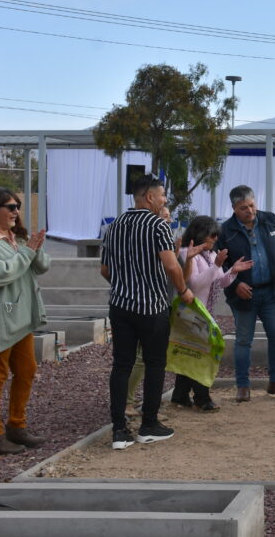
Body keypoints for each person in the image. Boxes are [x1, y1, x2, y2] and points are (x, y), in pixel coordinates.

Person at [100, 175, 193, 450]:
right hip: (151, 307)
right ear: (150, 197)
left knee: (121, 365)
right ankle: (148, 425)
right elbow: (171, 265)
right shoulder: (158, 225)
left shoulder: (114, 225)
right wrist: (183, 291)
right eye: (163, 195)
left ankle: (119, 431)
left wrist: (123, 285)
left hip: (119, 306)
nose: (165, 200)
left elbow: (104, 270)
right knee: (155, 364)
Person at [0, 188, 50, 455]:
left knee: (26, 371)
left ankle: (17, 426)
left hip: (20, 320)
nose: (16, 212)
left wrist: (34, 247)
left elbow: (41, 267)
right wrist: (27, 253)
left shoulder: (16, 237)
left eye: (18, 207)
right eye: (11, 207)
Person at [217, 185, 275, 402]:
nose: (249, 211)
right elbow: (219, 266)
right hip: (244, 295)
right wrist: (235, 285)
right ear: (234, 208)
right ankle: (242, 385)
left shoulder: (271, 221)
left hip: (271, 292)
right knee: (243, 340)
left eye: (252, 205)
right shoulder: (225, 232)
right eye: (243, 208)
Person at [171, 215, 252, 412]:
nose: (215, 239)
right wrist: (217, 265)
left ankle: (180, 395)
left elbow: (221, 282)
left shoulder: (210, 255)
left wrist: (232, 270)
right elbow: (195, 283)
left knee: (193, 354)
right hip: (190, 312)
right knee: (203, 355)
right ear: (200, 234)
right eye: (212, 235)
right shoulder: (185, 253)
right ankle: (202, 398)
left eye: (216, 236)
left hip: (203, 312)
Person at [125, 205, 174, 418]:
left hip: (159, 302)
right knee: (141, 358)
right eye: (165, 217)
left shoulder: (165, 241)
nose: (169, 221)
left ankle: (140, 404)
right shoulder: (151, 241)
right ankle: (129, 403)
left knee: (145, 358)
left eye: (169, 217)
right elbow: (169, 270)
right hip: (146, 305)